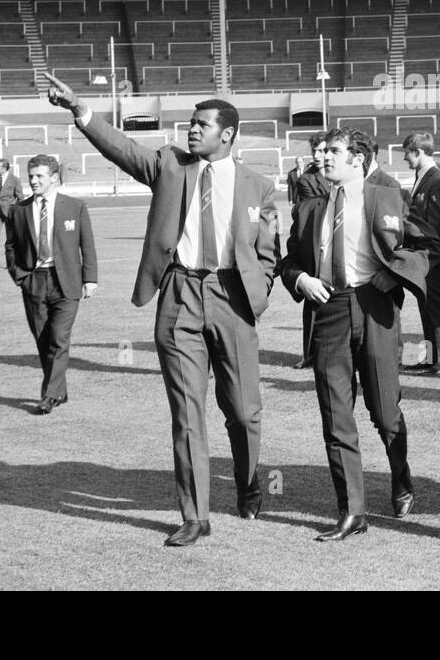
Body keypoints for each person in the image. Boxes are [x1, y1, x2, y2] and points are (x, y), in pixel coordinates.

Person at [44, 72, 280, 547]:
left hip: (231, 298)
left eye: (200, 124)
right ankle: (195, 515)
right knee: (186, 412)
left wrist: (262, 287)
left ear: (226, 133)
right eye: (190, 123)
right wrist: (80, 110)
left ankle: (249, 480)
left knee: (243, 410)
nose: (190, 130)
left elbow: (269, 251)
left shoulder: (259, 185)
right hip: (178, 296)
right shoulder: (170, 165)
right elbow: (123, 149)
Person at [280, 126, 438, 542]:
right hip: (328, 311)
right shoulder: (309, 207)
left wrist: (392, 275)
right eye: (324, 150)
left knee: (385, 412)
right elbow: (289, 262)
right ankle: (352, 511)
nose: (324, 156)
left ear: (358, 159)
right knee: (335, 415)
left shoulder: (388, 198)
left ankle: (400, 475)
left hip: (375, 308)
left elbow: (428, 245)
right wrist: (301, 282)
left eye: (334, 151)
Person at [4, 155, 97, 414]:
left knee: (58, 338)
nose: (33, 181)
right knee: (44, 340)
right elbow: (10, 246)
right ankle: (59, 390)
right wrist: (19, 276)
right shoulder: (18, 210)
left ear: (54, 178)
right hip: (34, 282)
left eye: (39, 176)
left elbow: (86, 245)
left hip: (66, 282)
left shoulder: (75, 207)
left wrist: (90, 279)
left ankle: (49, 396)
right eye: (31, 176)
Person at [401, 131, 440, 376]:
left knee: (437, 306)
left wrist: (426, 254)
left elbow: (437, 225)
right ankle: (432, 357)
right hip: (421, 256)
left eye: (407, 153)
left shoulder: (437, 180)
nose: (405, 158)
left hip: (430, 257)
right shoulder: (423, 176)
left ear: (419, 151)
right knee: (427, 307)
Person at [290, 134, 331, 369]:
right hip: (313, 240)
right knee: (312, 301)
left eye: (321, 150)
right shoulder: (306, 179)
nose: (316, 155)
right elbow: (312, 211)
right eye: (314, 150)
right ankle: (309, 353)